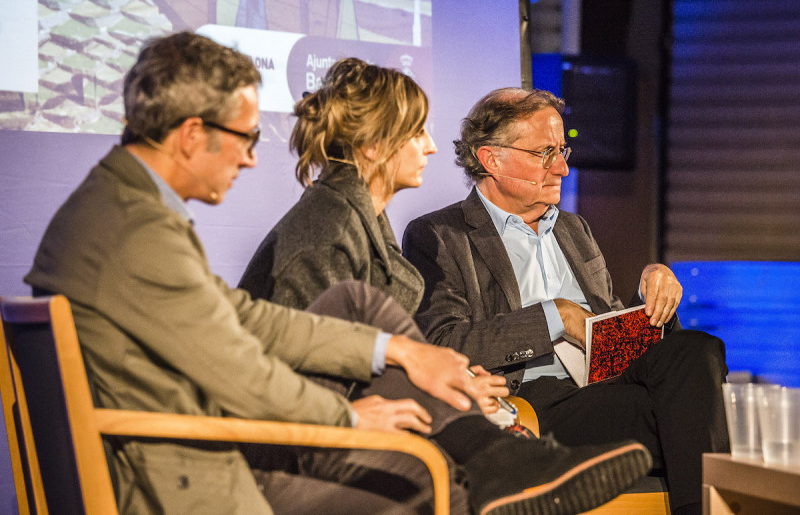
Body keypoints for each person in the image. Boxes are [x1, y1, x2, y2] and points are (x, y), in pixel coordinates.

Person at [24, 34, 652, 515]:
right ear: (192, 134)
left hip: (204, 442)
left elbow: (245, 319)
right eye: (244, 136)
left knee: (363, 310)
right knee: (438, 488)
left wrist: (404, 350)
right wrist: (354, 420)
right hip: (192, 470)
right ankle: (492, 468)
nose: (249, 156)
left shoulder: (123, 209)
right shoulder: (136, 232)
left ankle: (498, 463)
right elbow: (241, 370)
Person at [402, 87, 730, 515]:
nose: (561, 167)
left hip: (604, 389)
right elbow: (445, 342)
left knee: (698, 351)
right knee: (692, 417)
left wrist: (652, 296)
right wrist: (554, 316)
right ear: (491, 159)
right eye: (544, 153)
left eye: (562, 150)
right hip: (532, 404)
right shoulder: (440, 235)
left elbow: (607, 331)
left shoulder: (574, 229)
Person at [238, 57, 507, 414]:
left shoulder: (356, 217)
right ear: (374, 146)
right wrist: (449, 392)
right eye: (417, 133)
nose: (431, 146)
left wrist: (451, 378)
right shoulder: (327, 231)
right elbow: (314, 370)